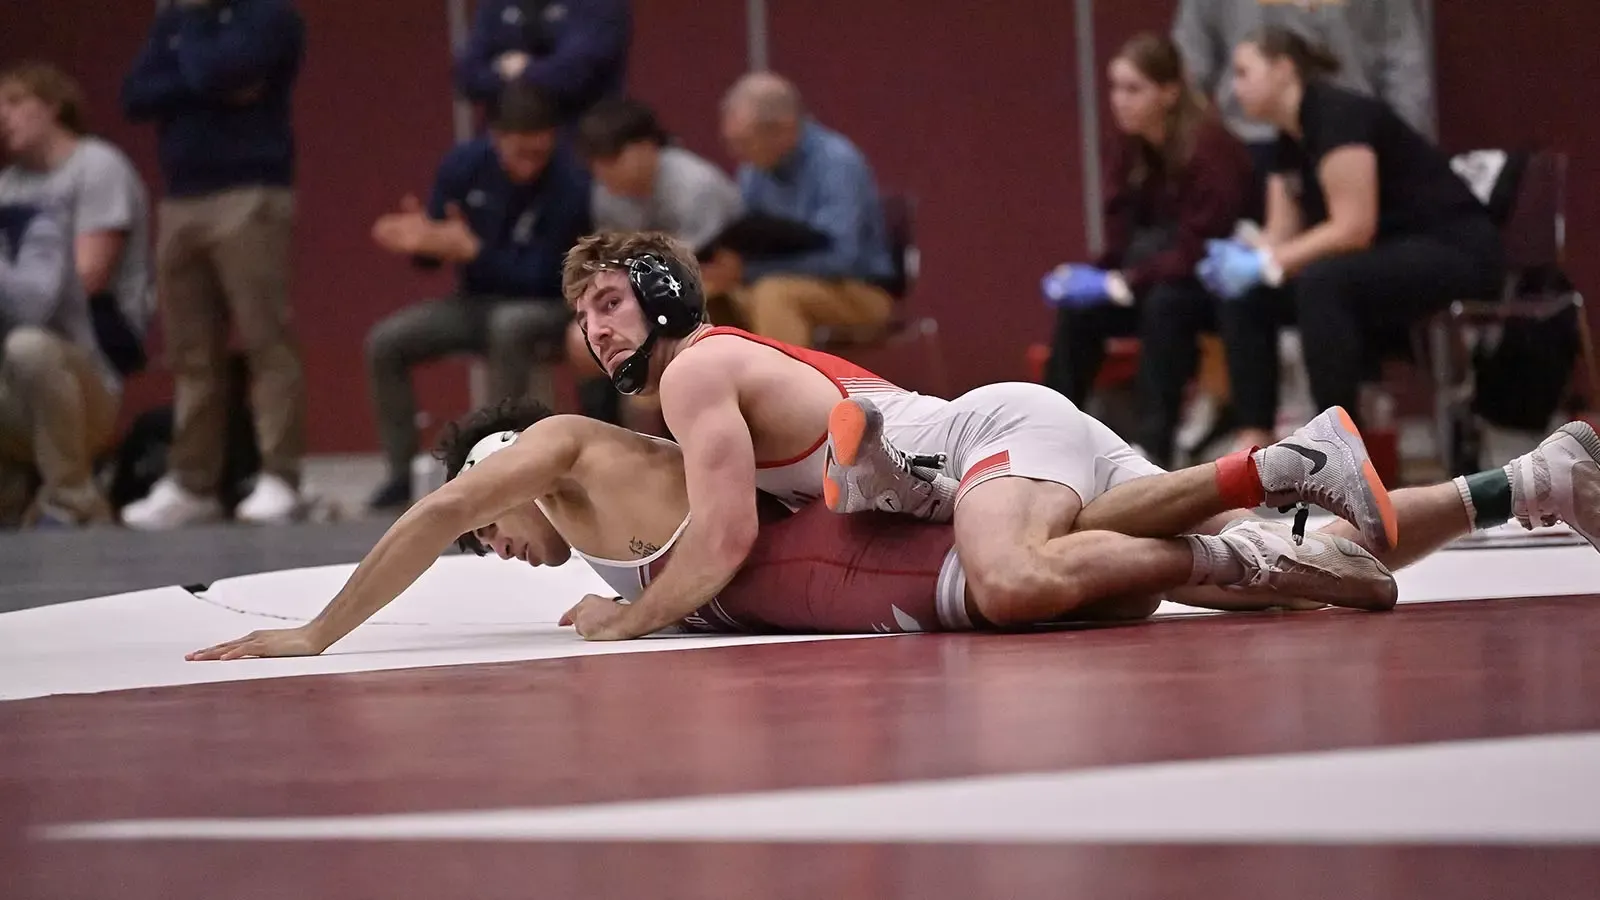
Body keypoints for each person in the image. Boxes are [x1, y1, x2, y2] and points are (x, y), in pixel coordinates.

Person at [183, 380, 1600, 659]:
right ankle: (1528, 484)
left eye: (503, 524)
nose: (498, 548)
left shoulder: (564, 448)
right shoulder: (632, 479)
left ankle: (1266, 505)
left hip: (958, 500)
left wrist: (316, 630)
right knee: (1110, 577)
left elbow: (437, 516)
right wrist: (624, 597)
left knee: (1047, 583)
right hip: (952, 514)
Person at [553, 230, 1412, 643]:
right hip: (1019, 437)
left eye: (609, 303)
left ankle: (1277, 470)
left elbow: (726, 535)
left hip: (985, 440)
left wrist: (634, 617)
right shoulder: (730, 360)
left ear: (663, 294)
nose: (595, 331)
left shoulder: (695, 371)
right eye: (582, 316)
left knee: (1010, 583)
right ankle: (1515, 483)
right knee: (1289, 566)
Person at [1195, 27, 1504, 448]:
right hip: (1385, 256)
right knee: (1250, 294)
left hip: (1452, 249)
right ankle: (1255, 436)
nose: (1234, 87)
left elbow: (1353, 227)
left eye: (1244, 72)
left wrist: (1270, 262)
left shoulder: (1338, 116)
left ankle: (1337, 446)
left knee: (1323, 282)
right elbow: (1278, 238)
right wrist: (1243, 260)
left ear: (1284, 70)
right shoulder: (1287, 138)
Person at [118, 0, 310, 528]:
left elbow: (219, 69)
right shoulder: (173, 18)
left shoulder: (267, 15)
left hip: (250, 192)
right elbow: (136, 95)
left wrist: (187, 60)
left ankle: (280, 476)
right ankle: (192, 481)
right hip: (181, 198)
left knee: (264, 339)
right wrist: (204, 75)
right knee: (190, 352)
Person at [364, 83, 593, 511]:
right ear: (496, 138)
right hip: (475, 301)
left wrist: (475, 253)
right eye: (519, 153)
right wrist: (424, 243)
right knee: (387, 341)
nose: (529, 165)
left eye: (538, 154)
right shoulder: (463, 166)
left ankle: (498, 464)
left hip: (546, 303)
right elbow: (440, 243)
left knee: (509, 327)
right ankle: (400, 474)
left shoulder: (572, 182)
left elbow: (550, 275)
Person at [1041, 33, 1255, 467]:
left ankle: (1151, 446)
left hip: (1217, 284)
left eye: (1133, 89)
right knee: (1080, 311)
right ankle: (1050, 433)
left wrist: (1125, 281)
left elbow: (1202, 246)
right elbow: (1122, 235)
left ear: (1170, 92)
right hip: (1154, 277)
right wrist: (1094, 276)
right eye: (1115, 87)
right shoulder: (1132, 146)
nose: (1119, 100)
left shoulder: (1210, 147)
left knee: (1165, 306)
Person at [567, 96, 743, 432]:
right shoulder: (606, 193)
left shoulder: (696, 187)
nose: (604, 173)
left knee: (642, 336)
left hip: (723, 294)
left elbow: (712, 269)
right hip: (647, 294)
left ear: (646, 146)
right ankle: (605, 433)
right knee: (581, 336)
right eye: (597, 165)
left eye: (613, 159)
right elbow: (610, 267)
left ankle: (662, 445)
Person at [708, 72, 897, 348]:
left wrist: (749, 272)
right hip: (771, 280)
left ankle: (787, 391)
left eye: (744, 143)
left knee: (774, 295)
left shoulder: (837, 163)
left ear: (785, 128)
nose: (736, 154)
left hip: (859, 289)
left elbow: (842, 260)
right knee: (697, 296)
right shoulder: (753, 170)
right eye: (732, 143)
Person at [0, 63, 153, 379]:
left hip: (99, 328)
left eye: (13, 103)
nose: (2, 116)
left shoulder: (97, 165)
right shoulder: (7, 185)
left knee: (24, 346)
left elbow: (90, 277)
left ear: (52, 105)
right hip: (28, 315)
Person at [0, 201, 121, 527]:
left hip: (83, 401)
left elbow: (31, 308)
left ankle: (71, 501)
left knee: (27, 346)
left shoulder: (33, 226)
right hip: (12, 407)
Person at [453, 0, 631, 127]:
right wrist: (529, 71)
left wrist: (521, 69)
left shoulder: (599, 5)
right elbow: (467, 77)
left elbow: (572, 74)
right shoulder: (497, 4)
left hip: (578, 141)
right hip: (505, 144)